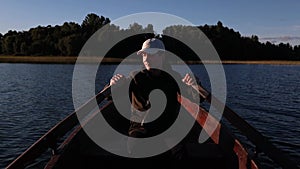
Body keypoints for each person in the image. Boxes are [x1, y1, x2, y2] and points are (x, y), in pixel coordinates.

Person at [109, 38, 201, 159]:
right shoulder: (135, 77)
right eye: (143, 55)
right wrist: (113, 84)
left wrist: (195, 84)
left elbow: (195, 97)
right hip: (140, 127)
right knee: (133, 150)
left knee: (179, 153)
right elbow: (112, 95)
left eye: (150, 55)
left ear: (162, 55)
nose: (146, 59)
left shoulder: (173, 77)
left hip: (167, 128)